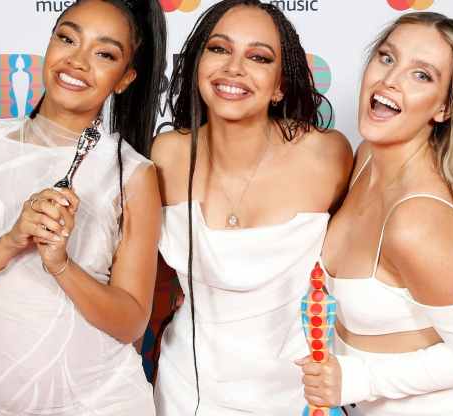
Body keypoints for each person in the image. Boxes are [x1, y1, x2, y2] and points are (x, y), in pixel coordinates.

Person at [0, 1, 166, 414]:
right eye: (67, 38)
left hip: (102, 403)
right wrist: (11, 241)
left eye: (104, 53)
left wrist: (59, 263)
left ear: (125, 78)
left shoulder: (133, 174)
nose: (77, 61)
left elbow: (130, 323)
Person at [297, 12, 453, 415]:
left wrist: (357, 379)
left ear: (444, 108)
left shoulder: (416, 221)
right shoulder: (366, 159)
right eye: (387, 58)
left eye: (421, 75)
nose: (390, 80)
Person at [151, 1, 353, 414]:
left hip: (296, 395)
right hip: (185, 393)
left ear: (280, 85)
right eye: (219, 49)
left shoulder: (327, 156)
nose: (234, 68)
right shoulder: (166, 155)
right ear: (197, 64)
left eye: (258, 57)